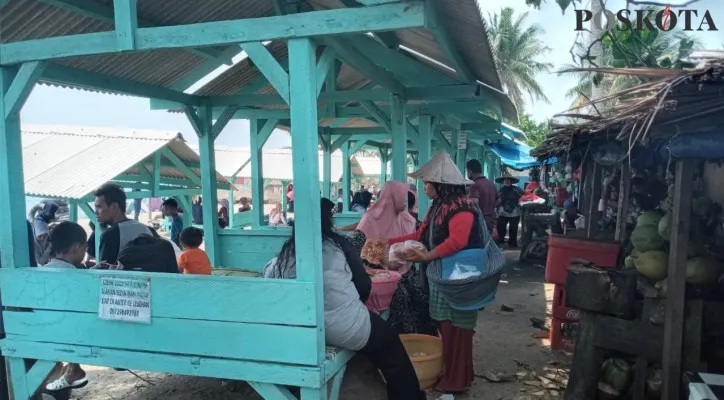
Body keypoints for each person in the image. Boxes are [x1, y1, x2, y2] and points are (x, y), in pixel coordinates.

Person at [264, 198, 426, 400]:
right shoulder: (338, 245)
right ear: (328, 220)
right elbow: (364, 287)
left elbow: (270, 281)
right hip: (345, 327)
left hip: (301, 330)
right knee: (390, 342)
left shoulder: (287, 253)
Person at [388, 151, 505, 394]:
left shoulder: (461, 208)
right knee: (447, 326)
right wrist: (389, 242)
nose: (425, 188)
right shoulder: (438, 207)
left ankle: (457, 378)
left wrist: (427, 256)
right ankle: (456, 373)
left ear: (440, 185)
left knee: (458, 328)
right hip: (445, 275)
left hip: (461, 276)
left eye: (427, 183)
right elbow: (420, 235)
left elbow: (458, 241)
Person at [43, 222, 90, 392]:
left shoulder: (40, 272)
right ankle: (72, 370)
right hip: (72, 337)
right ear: (77, 247)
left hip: (41, 332)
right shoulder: (79, 277)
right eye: (85, 248)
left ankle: (72, 371)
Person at [93, 183, 153, 266]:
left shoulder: (111, 234)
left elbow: (104, 274)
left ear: (114, 207)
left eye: (99, 207)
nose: (95, 212)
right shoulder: (144, 228)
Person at [466, 159, 498, 233]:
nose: (467, 173)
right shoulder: (491, 184)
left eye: (467, 171)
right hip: (490, 221)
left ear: (470, 171)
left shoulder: (475, 185)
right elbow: (498, 200)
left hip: (480, 222)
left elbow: (474, 203)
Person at [496, 173, 524, 248]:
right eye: (505, 180)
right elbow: (497, 200)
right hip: (502, 213)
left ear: (511, 181)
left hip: (515, 212)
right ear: (503, 181)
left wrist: (518, 204)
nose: (507, 181)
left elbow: (523, 198)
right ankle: (501, 241)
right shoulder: (500, 191)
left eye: (508, 180)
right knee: (501, 227)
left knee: (514, 228)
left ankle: (512, 243)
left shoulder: (517, 190)